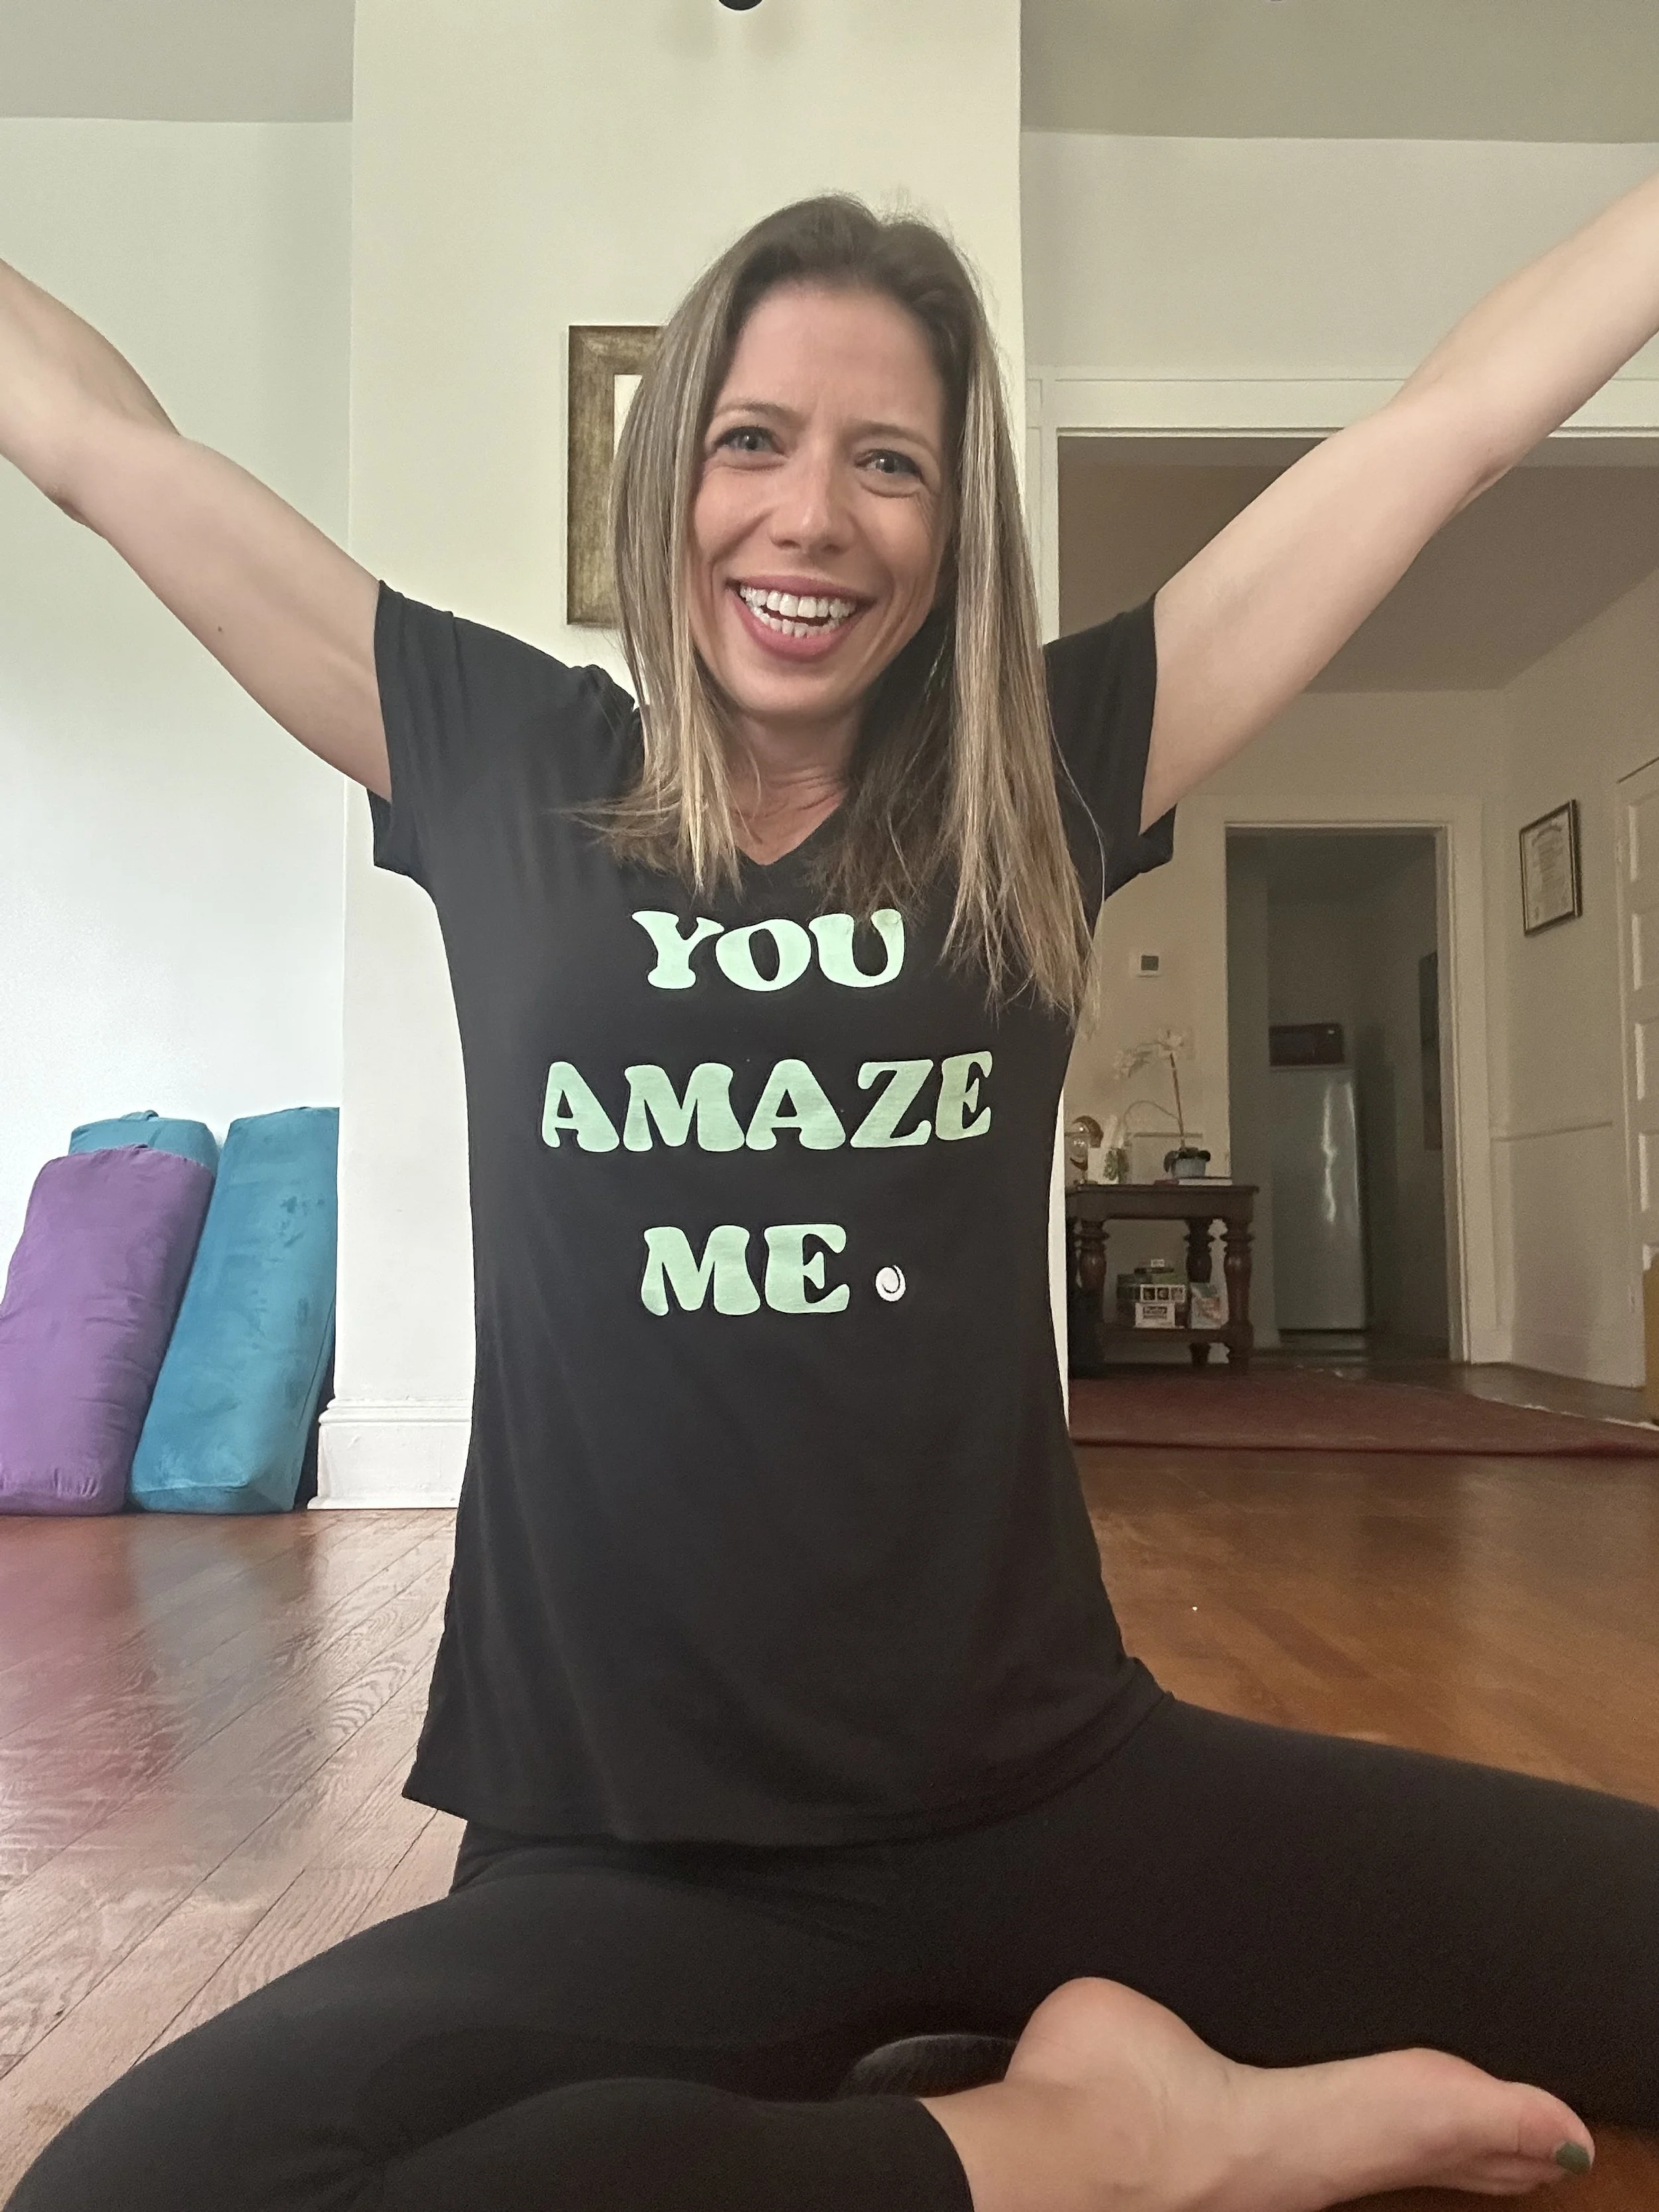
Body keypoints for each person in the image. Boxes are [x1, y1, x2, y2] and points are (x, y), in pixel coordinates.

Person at [3, 177, 1658, 2212]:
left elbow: (1448, 427)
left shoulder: (1046, 770)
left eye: (891, 463)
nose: (812, 516)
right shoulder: (499, 752)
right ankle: (1087, 2139)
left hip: (1049, 1788)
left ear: (955, 530)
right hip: (632, 1849)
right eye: (753, 442)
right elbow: (99, 443)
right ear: (669, 477)